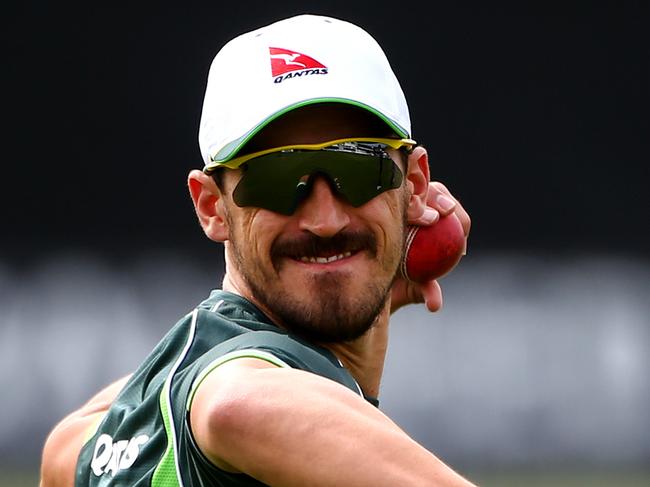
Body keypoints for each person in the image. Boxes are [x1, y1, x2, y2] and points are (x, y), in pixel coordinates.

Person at [41, 14, 475, 486]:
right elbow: (240, 403)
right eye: (276, 180)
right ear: (212, 207)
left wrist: (363, 290)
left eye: (360, 168)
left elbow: (66, 445)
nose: (325, 221)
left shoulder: (94, 439)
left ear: (413, 185)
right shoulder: (242, 401)